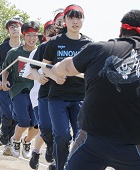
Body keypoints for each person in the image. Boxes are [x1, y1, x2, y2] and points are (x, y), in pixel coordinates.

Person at [42, 9, 140, 170]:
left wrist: (56, 70)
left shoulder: (98, 48)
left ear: (121, 30)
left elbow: (64, 67)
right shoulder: (68, 44)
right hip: (133, 144)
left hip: (93, 142)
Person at [42, 4, 93, 170]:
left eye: (79, 17)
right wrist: (54, 76)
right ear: (64, 20)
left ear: (83, 20)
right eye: (71, 17)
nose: (75, 21)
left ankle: (72, 165)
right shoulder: (55, 43)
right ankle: (60, 166)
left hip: (81, 97)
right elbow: (44, 67)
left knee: (82, 137)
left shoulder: (89, 44)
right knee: (62, 136)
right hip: (58, 97)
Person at [2, 21, 40, 159]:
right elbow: (5, 69)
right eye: (28, 35)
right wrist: (5, 80)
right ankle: (16, 140)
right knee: (24, 121)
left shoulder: (41, 51)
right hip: (19, 90)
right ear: (23, 36)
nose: (31, 38)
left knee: (37, 125)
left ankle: (27, 141)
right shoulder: (14, 53)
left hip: (36, 91)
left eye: (34, 35)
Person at [26, 18, 61, 169]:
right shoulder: (37, 50)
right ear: (44, 35)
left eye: (55, 32)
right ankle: (36, 150)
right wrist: (39, 76)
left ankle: (55, 158)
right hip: (39, 96)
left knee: (59, 129)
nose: (52, 35)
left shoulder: (63, 49)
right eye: (49, 32)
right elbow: (28, 73)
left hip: (60, 96)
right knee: (45, 128)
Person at [0, 16, 22, 156]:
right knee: (8, 115)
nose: (15, 29)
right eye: (12, 27)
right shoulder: (1, 48)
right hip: (5, 86)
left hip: (21, 87)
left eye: (17, 26)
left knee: (18, 116)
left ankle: (9, 142)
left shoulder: (27, 47)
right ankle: (3, 132)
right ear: (8, 31)